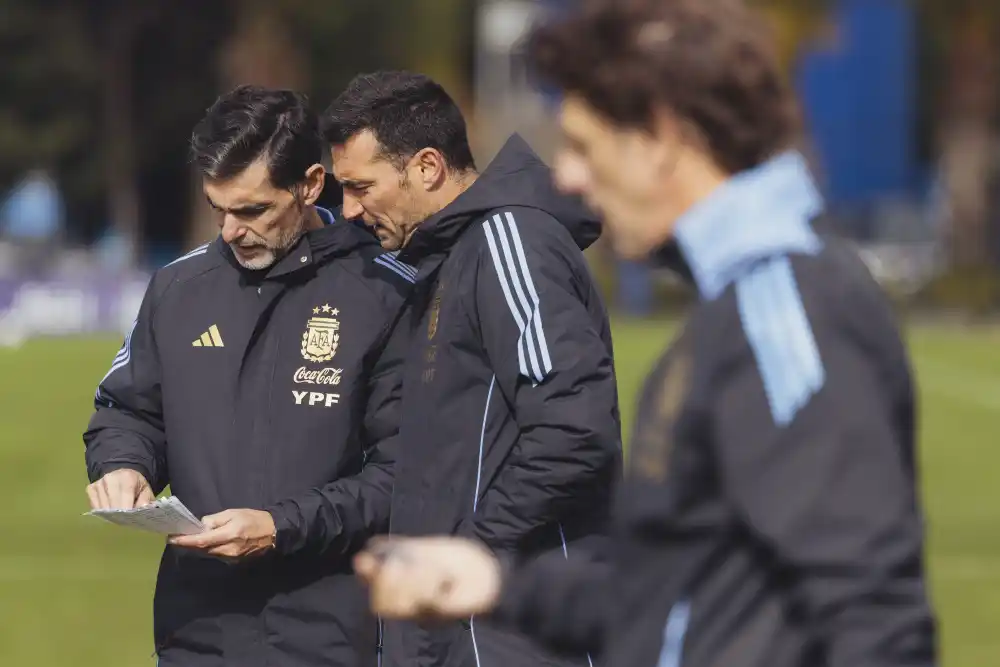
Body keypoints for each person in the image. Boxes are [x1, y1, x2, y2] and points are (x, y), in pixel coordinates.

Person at [351, 2, 939, 667]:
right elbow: (678, 594)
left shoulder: (783, 305)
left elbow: (869, 613)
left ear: (658, 138)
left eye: (583, 144)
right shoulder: (738, 301)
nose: (567, 175)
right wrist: (496, 582)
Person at [83, 84, 414, 667]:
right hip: (195, 633)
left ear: (311, 184)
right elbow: (126, 411)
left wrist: (280, 528)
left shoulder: (386, 291)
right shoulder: (178, 290)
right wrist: (123, 464)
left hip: (336, 636)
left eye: (253, 210)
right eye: (219, 210)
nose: (232, 230)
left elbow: (406, 474)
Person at [323, 71, 621, 667]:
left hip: (512, 632)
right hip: (455, 627)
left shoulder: (510, 241)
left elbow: (575, 429)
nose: (349, 210)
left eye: (361, 186)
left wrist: (471, 551)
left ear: (427, 167)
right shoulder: (446, 258)